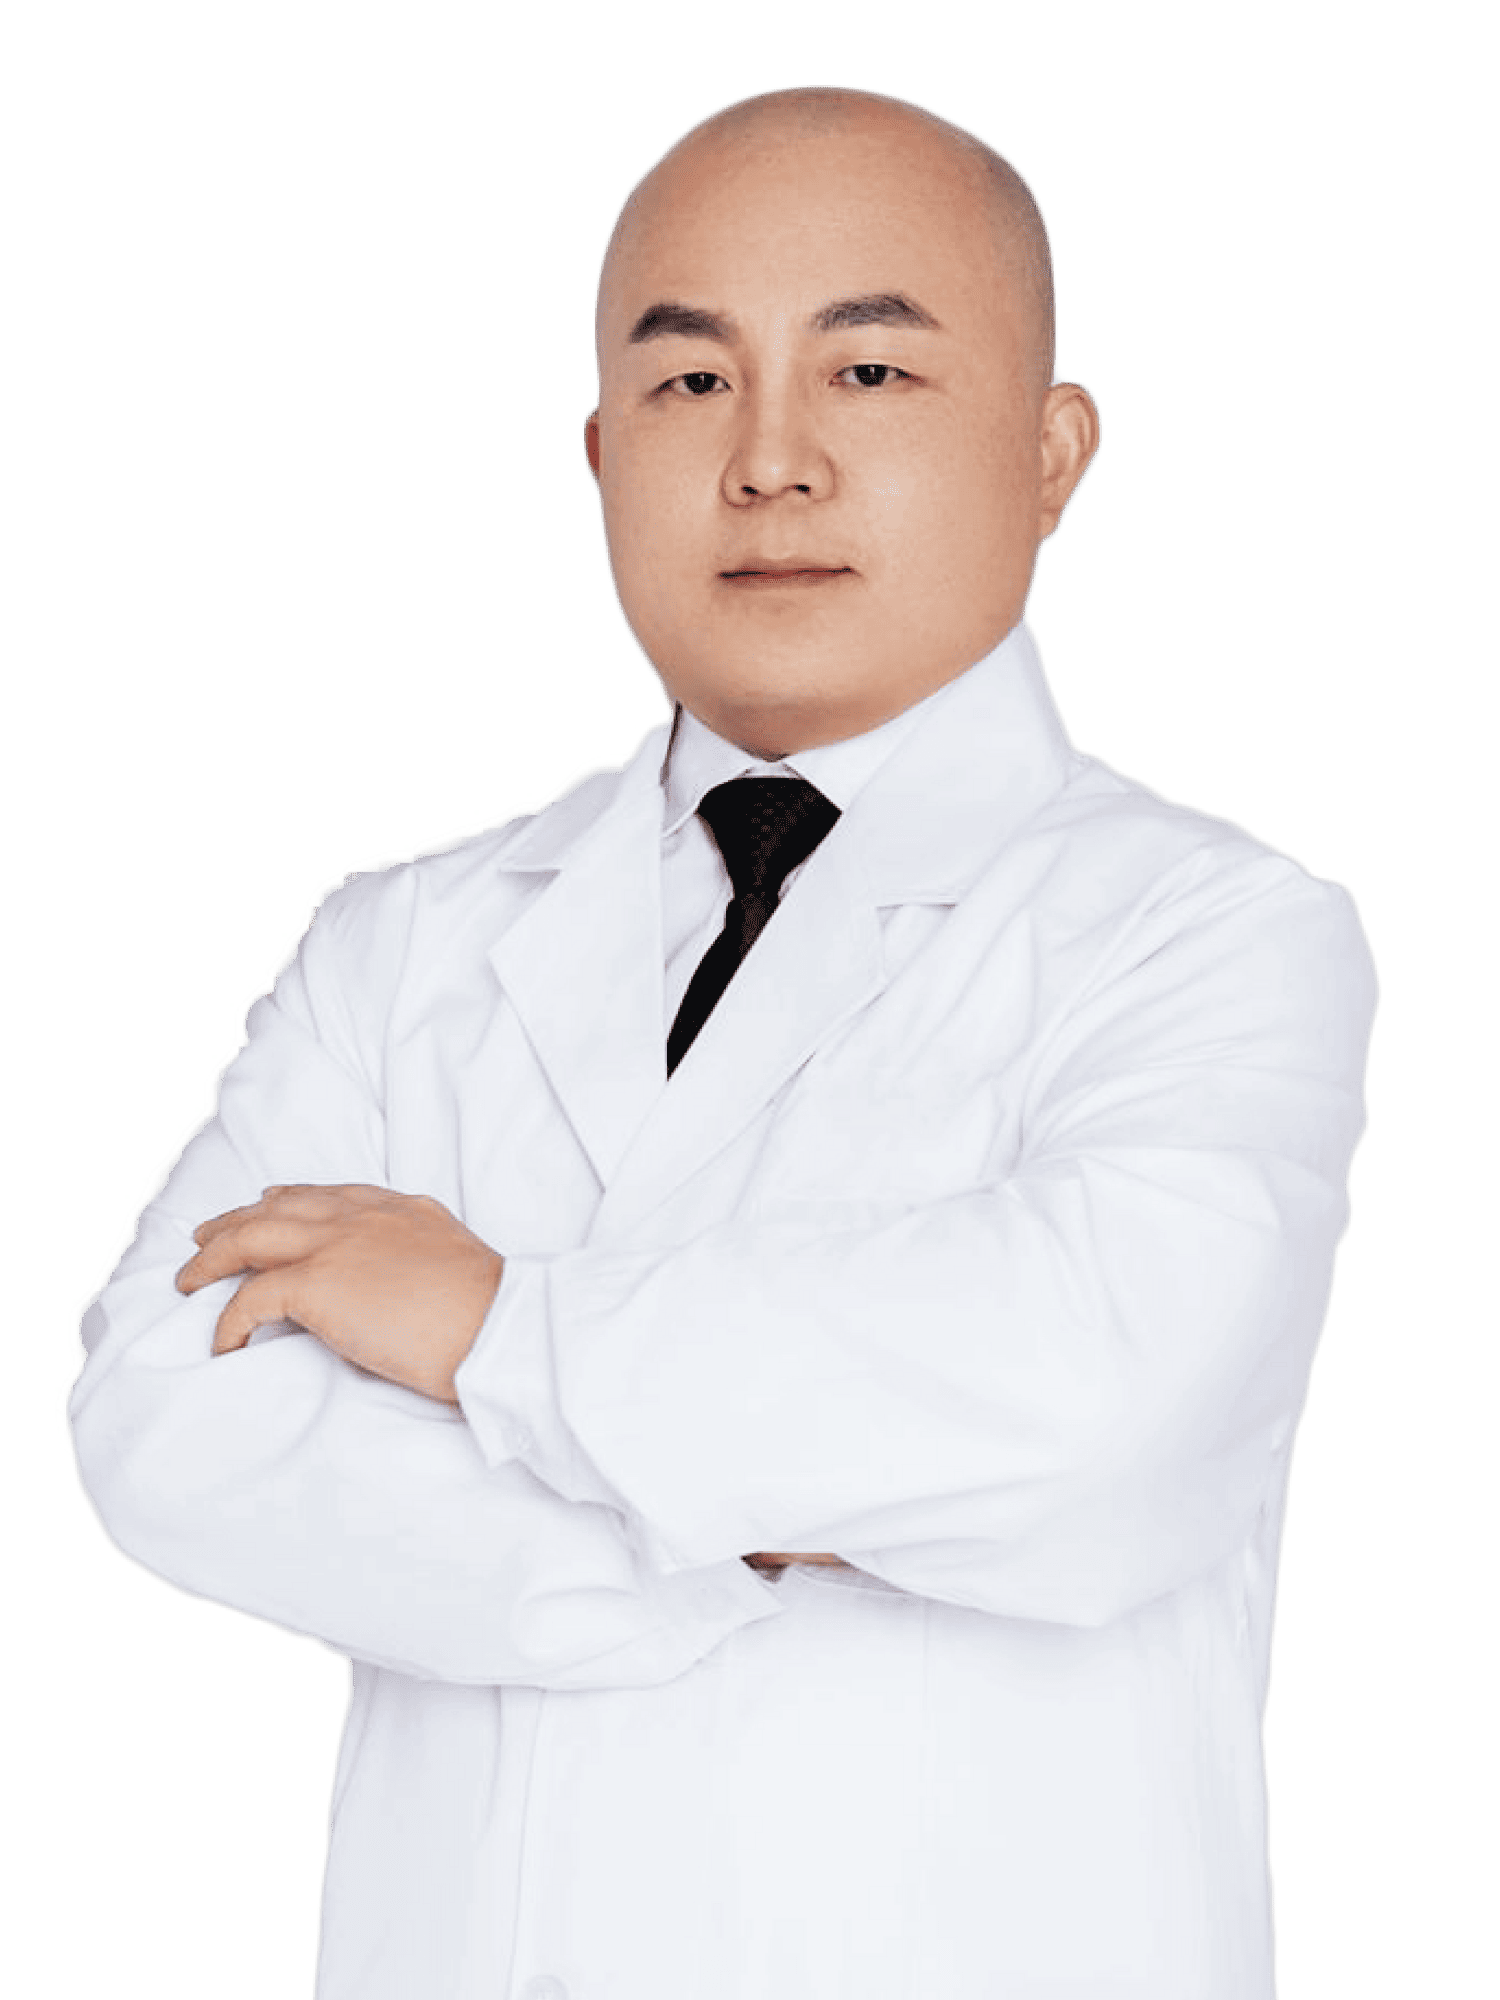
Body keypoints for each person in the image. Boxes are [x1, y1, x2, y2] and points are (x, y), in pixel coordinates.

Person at [65, 83, 1379, 2000]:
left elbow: (1097, 1390)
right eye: (690, 384)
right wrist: (740, 1526)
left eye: (870, 372)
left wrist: (492, 1333)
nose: (769, 462)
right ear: (602, 453)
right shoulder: (400, 939)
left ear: (1051, 453)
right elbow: (165, 1415)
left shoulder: (1216, 928)